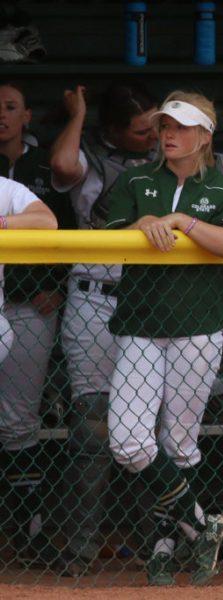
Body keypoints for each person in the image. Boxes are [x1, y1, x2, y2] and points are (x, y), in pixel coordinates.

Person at [104, 91, 223, 586]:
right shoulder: (137, 180)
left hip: (199, 328)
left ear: (205, 136)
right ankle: (204, 526)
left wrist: (183, 222)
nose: (169, 133)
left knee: (180, 444)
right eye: (165, 125)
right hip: (140, 326)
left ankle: (165, 546)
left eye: (182, 127)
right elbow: (107, 231)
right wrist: (143, 221)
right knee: (129, 441)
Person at [49, 81, 158, 576]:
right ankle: (80, 550)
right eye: (140, 130)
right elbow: (61, 167)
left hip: (144, 303)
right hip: (93, 297)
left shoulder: (165, 157)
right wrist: (79, 114)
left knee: (145, 430)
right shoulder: (90, 155)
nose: (152, 136)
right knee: (92, 429)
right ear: (113, 129)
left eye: (157, 124)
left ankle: (154, 544)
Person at [0, 82, 60, 566]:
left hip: (22, 309)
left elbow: (46, 223)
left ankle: (27, 526)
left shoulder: (12, 186)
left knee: (19, 422)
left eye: (10, 107)